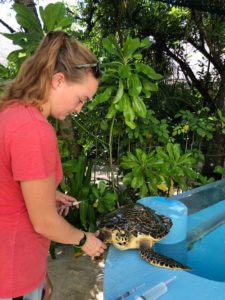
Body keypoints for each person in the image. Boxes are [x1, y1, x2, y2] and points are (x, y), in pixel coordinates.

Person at [0, 31, 106, 300]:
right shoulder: (34, 129)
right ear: (58, 80)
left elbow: (7, 190)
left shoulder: (11, 114)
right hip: (10, 274)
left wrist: (48, 194)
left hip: (18, 266)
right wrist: (85, 240)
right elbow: (45, 222)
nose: (79, 109)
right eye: (81, 99)